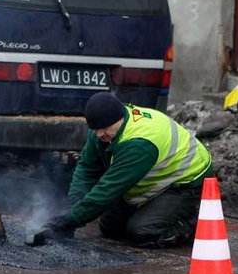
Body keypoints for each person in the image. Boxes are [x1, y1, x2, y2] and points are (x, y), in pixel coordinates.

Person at [43, 92, 213, 248]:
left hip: (185, 181)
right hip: (157, 177)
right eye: (95, 129)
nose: (100, 134)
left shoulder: (138, 144)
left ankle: (189, 221)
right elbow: (87, 168)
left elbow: (107, 191)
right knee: (110, 227)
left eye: (104, 129)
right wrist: (73, 206)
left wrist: (68, 221)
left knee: (142, 232)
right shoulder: (103, 127)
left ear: (120, 119)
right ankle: (152, 211)